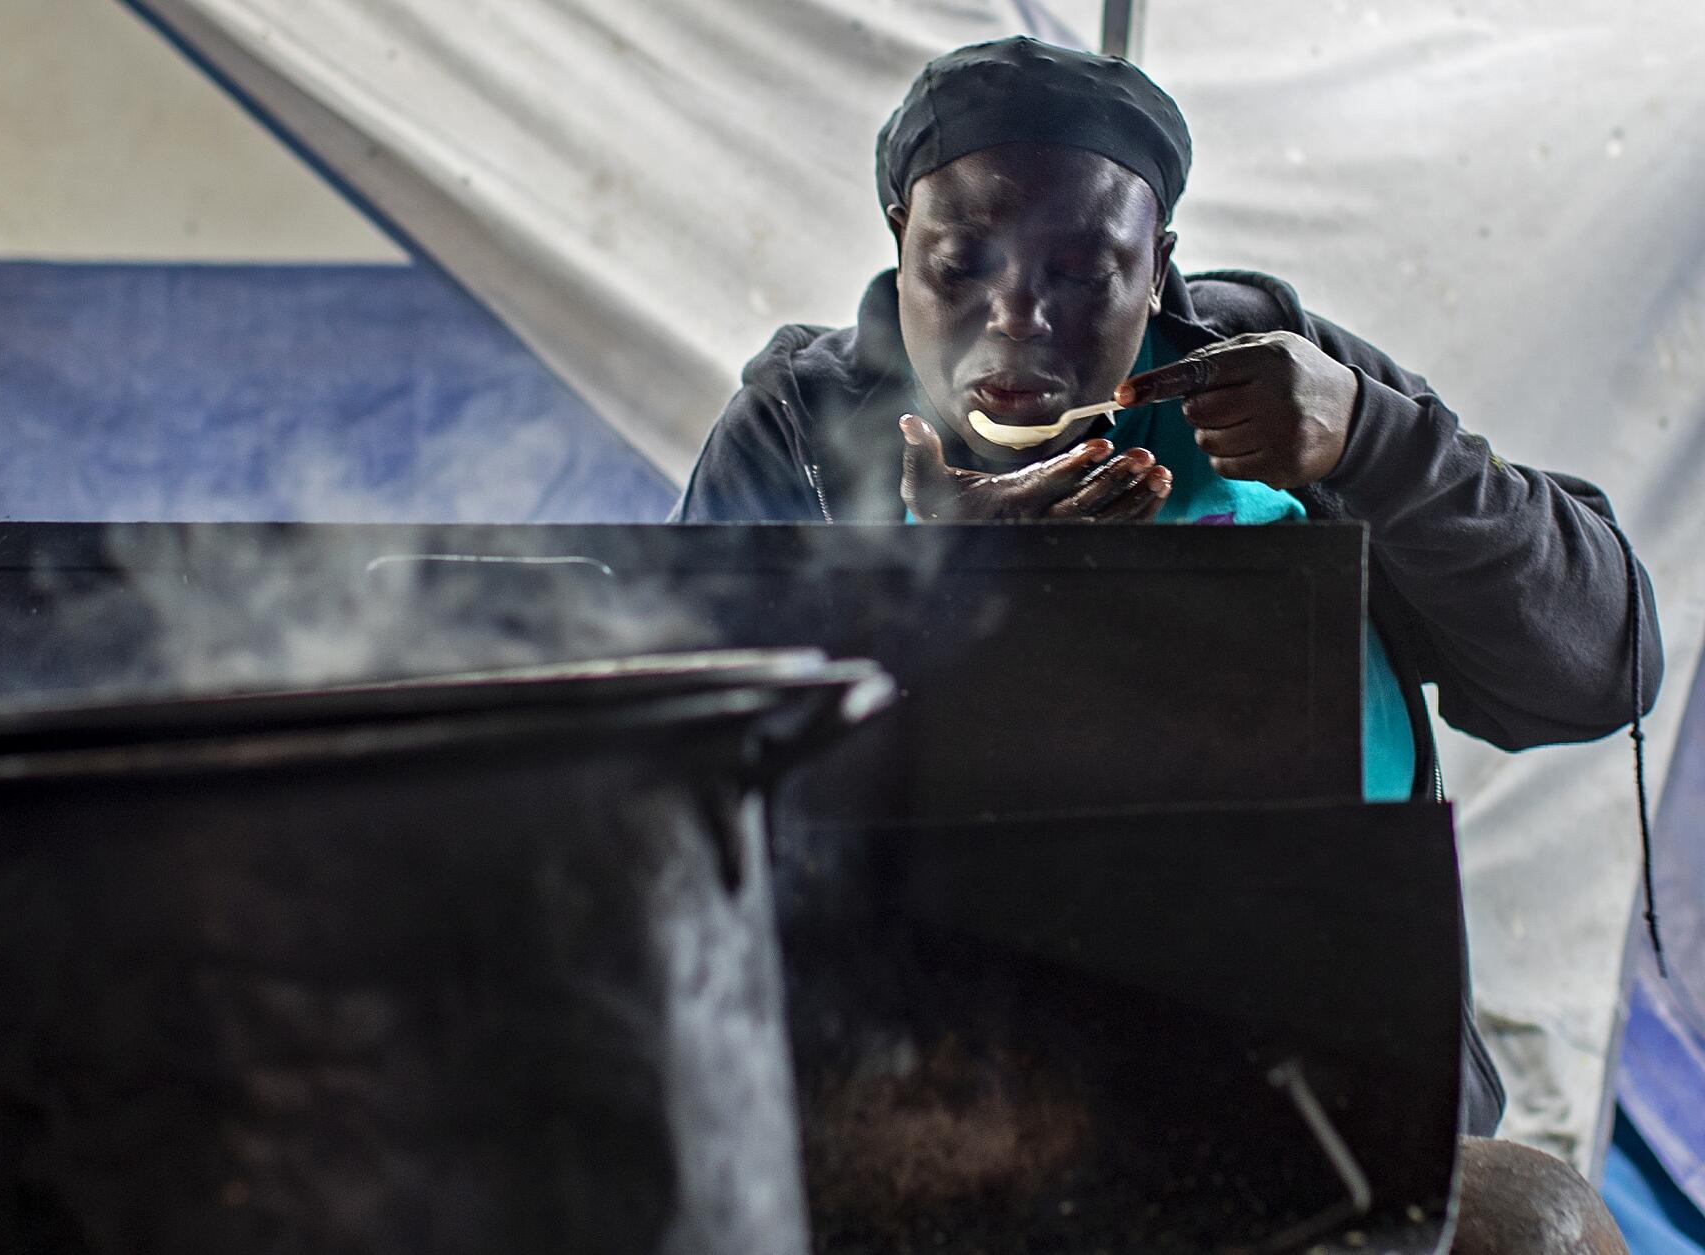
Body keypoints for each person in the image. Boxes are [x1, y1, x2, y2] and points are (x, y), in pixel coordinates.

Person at [673, 36, 1661, 1252]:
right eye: (958, 265)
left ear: (1160, 270)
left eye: (1084, 273)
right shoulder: (803, 432)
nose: (1016, 321)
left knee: (1541, 1224)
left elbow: (1597, 669)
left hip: (1317, 1101)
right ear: (896, 240)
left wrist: (1378, 444)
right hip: (914, 1100)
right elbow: (687, 808)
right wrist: (921, 601)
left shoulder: (1274, 386)